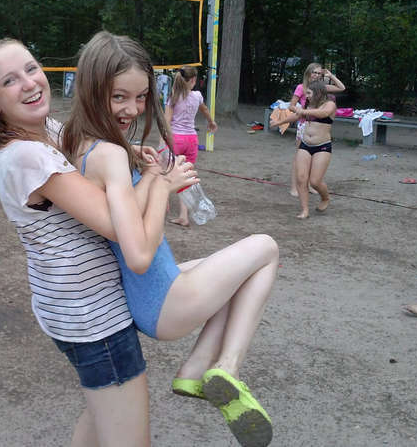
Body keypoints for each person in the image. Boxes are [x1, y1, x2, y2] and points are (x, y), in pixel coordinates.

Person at [0, 38, 197, 447]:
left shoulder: (49, 132)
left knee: (101, 418)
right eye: (9, 80)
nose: (29, 83)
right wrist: (158, 182)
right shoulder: (27, 155)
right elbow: (115, 225)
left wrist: (128, 151)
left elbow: (89, 157)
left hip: (75, 311)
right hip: (94, 319)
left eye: (31, 68)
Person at [61, 31, 279, 447]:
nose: (132, 109)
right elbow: (137, 250)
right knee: (266, 247)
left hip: (147, 294)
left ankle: (195, 371)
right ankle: (226, 368)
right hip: (161, 296)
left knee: (237, 276)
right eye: (119, 97)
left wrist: (144, 170)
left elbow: (119, 214)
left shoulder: (81, 144)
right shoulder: (108, 153)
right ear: (91, 89)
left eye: (141, 97)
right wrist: (163, 184)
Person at [164, 65, 217, 227]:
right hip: (192, 140)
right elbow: (205, 109)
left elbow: (166, 121)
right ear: (193, 80)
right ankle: (183, 216)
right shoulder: (197, 96)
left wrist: (164, 140)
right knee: (186, 176)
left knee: (165, 173)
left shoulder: (173, 97)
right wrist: (211, 122)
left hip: (176, 139)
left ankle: (162, 206)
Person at [285, 63, 345, 196]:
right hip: (304, 124)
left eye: (319, 73)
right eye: (314, 72)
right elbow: (291, 106)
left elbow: (341, 88)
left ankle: (309, 185)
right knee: (299, 156)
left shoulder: (322, 88)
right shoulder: (301, 87)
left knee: (314, 157)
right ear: (308, 73)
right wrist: (302, 111)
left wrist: (331, 76)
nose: (316, 75)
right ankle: (294, 187)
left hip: (318, 126)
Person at [292, 79, 336, 219]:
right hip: (305, 144)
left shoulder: (330, 104)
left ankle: (325, 198)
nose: (307, 96)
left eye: (309, 93)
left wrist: (303, 110)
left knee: (315, 181)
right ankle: (305, 210)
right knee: (301, 178)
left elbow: (323, 113)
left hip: (322, 146)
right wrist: (278, 122)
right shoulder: (308, 105)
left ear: (318, 93)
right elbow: (296, 115)